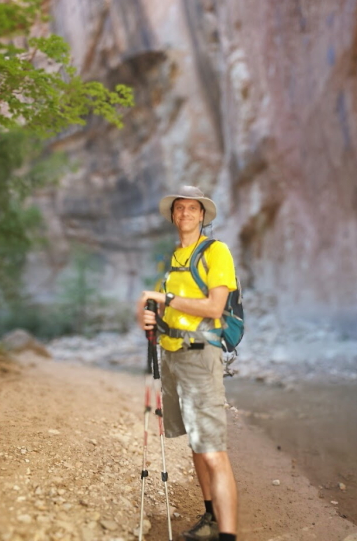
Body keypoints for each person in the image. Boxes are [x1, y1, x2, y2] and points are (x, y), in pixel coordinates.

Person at [137, 185, 238, 541]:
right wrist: (146, 314)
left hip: (200, 356)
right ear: (172, 215)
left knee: (213, 450)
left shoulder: (216, 252)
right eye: (179, 208)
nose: (185, 214)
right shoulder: (168, 260)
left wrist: (166, 298)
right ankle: (210, 518)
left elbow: (215, 308)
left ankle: (227, 534)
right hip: (172, 357)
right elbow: (150, 304)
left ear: (203, 215)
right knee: (197, 444)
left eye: (192, 208)